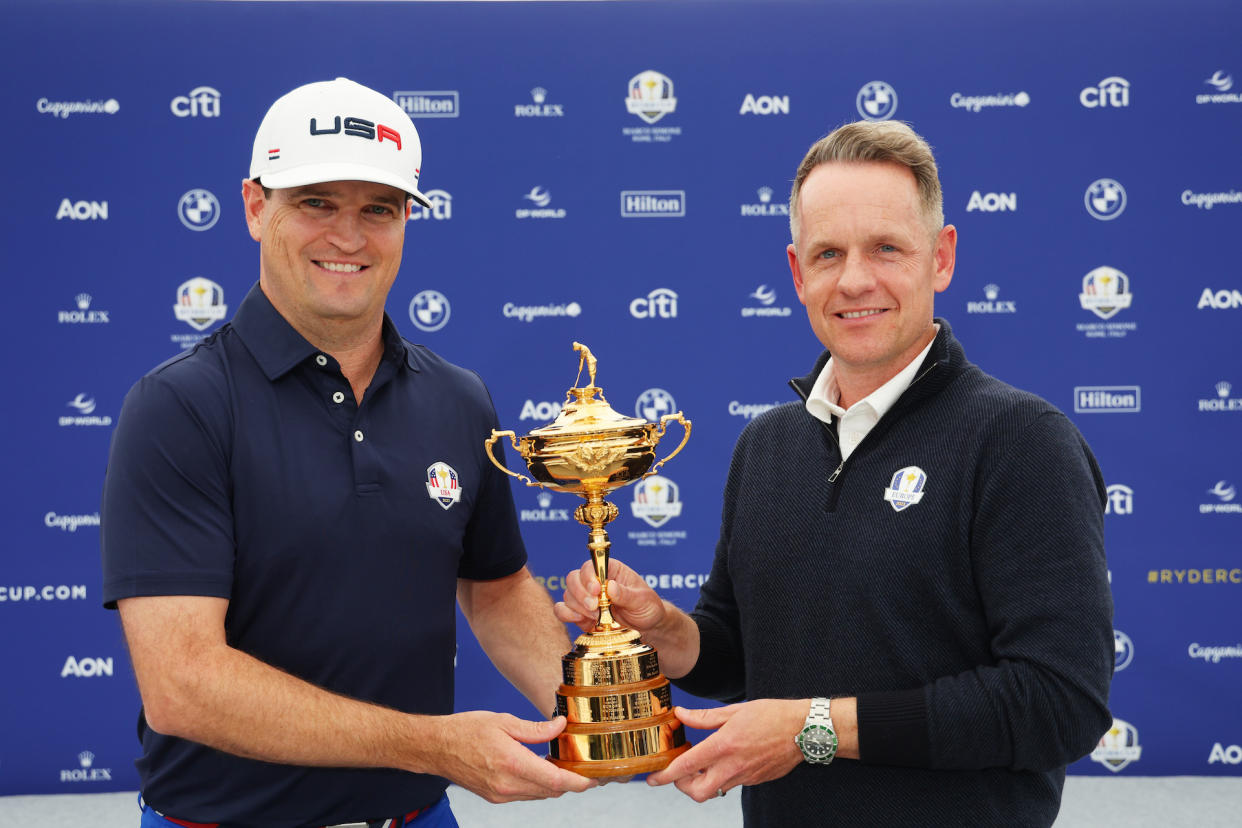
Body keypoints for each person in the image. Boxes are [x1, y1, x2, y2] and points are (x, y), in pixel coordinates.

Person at [557, 120, 1114, 826]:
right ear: (797, 273)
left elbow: (1060, 704)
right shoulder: (767, 445)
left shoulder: (1021, 441)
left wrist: (810, 731)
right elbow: (739, 652)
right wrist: (666, 631)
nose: (855, 279)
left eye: (886, 248)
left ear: (940, 258)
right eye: (828, 253)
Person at [101, 77, 593, 828]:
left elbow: (495, 589)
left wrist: (599, 716)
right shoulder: (180, 406)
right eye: (317, 203)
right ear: (255, 207)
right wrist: (433, 747)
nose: (349, 237)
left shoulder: (458, 399)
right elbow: (183, 683)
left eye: (379, 210)